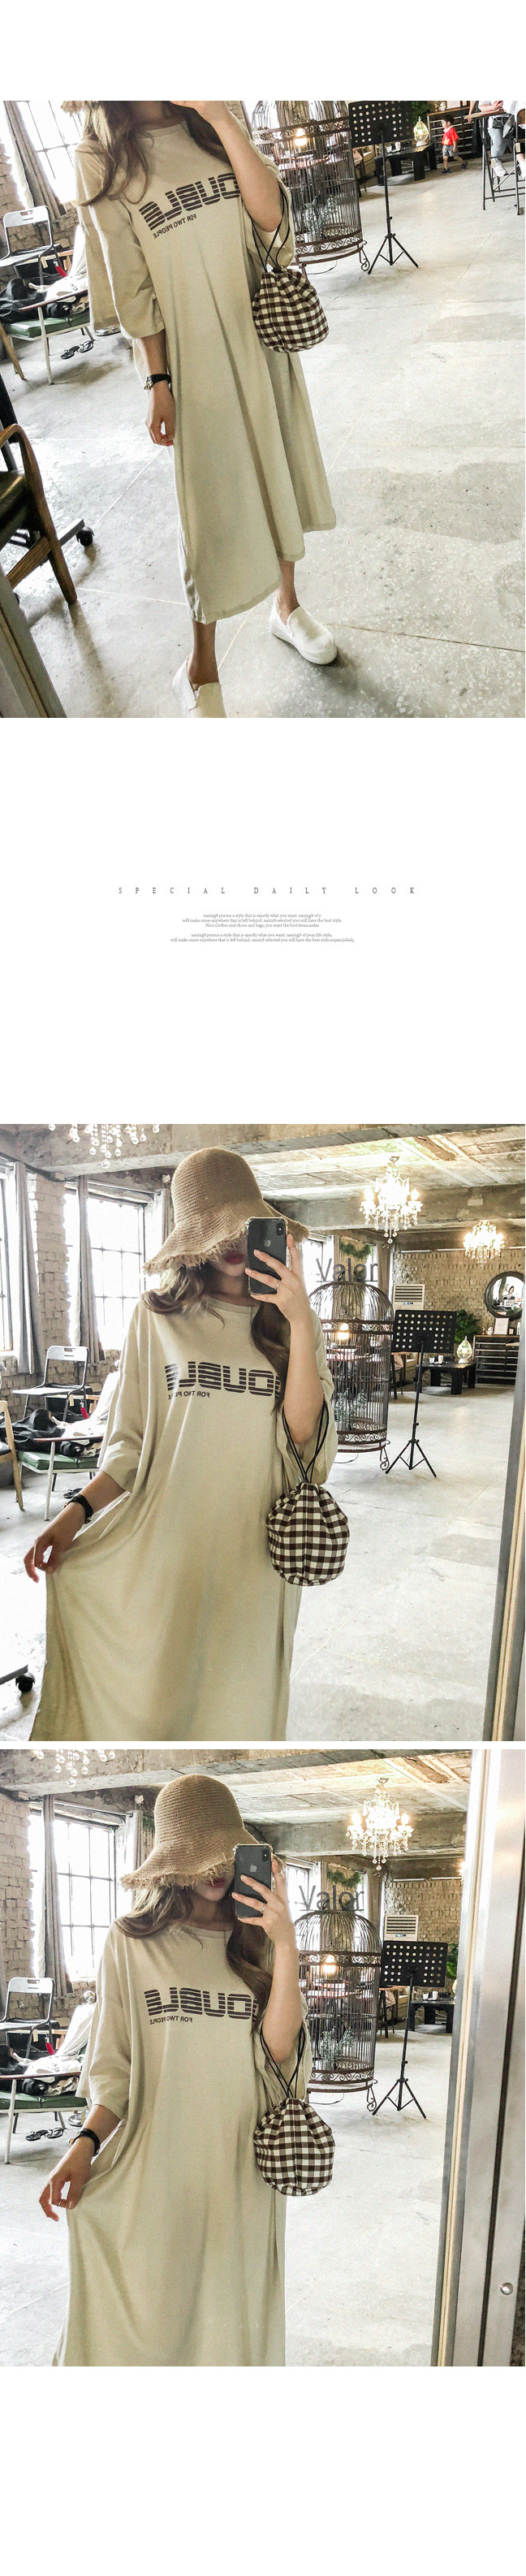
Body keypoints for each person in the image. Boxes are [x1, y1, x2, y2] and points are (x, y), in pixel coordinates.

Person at [27, 1147, 337, 1742]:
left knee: (240, 1705)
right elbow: (130, 1443)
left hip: (258, 1549)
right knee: (154, 1700)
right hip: (168, 1543)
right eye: (214, 1230)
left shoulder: (291, 1321)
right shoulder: (157, 1316)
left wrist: (299, 1320)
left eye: (242, 1226)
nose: (232, 1243)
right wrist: (75, 1513)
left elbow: (304, 1438)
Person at [70, 100, 338, 717]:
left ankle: (286, 606)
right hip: (191, 357)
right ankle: (199, 668)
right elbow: (131, 284)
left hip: (260, 334)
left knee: (280, 468)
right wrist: (157, 379)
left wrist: (219, 116)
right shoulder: (99, 157)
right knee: (210, 504)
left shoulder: (211, 119)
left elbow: (272, 220)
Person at [39, 1774, 312, 2366]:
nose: (214, 1872)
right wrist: (84, 2144)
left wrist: (286, 1945)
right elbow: (114, 2064)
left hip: (241, 2168)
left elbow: (280, 2053)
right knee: (145, 2319)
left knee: (225, 2327)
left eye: (224, 1856)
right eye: (197, 1857)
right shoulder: (130, 1942)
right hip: (157, 2163)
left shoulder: (259, 1943)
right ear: (171, 1862)